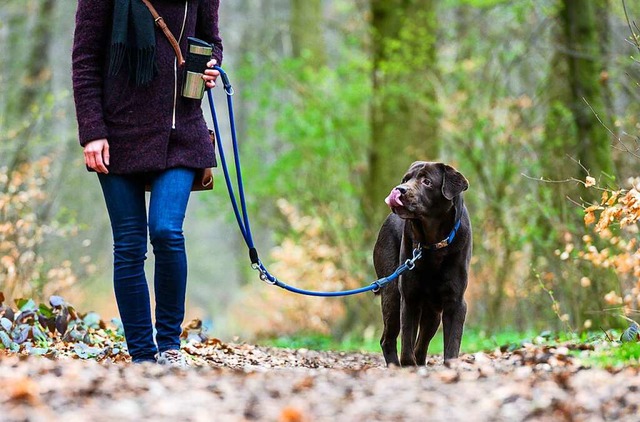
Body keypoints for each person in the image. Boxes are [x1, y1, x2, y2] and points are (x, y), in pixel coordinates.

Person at [72, 0, 223, 367]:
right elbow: (85, 60)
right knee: (129, 245)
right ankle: (142, 355)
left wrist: (211, 68)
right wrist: (92, 132)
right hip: (118, 134)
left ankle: (170, 347)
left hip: (180, 131)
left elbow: (211, 42)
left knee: (167, 231)